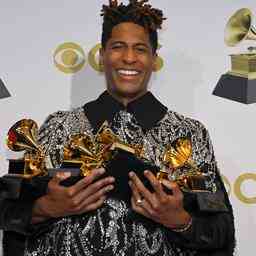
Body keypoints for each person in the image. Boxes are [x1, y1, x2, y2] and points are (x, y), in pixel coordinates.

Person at [0, 0, 235, 255]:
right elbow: (7, 207)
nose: (129, 58)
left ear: (154, 59)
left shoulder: (188, 134)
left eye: (140, 49)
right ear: (102, 56)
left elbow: (222, 232)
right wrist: (46, 208)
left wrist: (179, 220)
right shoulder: (58, 126)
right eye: (118, 47)